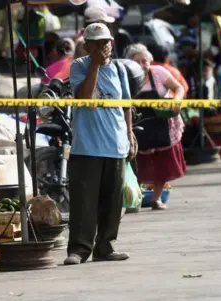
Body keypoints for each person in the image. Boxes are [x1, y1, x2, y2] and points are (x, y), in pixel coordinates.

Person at [65, 23, 134, 265]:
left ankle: (105, 246)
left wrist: (129, 133)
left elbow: (125, 104)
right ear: (87, 46)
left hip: (114, 144)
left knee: (112, 201)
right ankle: (79, 249)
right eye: (97, 43)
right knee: (84, 201)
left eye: (106, 42)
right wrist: (94, 64)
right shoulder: (79, 67)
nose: (103, 47)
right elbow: (85, 99)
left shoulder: (119, 70)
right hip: (87, 146)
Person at [125, 43, 186, 210]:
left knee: (163, 164)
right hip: (137, 125)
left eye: (145, 61)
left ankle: (156, 198)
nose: (142, 65)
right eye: (137, 61)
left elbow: (178, 88)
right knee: (136, 163)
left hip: (162, 124)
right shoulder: (126, 77)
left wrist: (176, 101)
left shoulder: (159, 73)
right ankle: (134, 200)